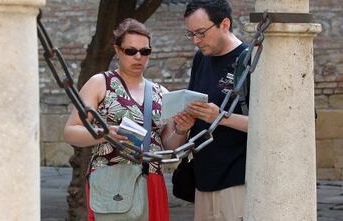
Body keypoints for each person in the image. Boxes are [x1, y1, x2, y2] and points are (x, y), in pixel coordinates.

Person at [63, 18, 194, 221]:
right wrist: (104, 134)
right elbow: (71, 131)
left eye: (145, 52)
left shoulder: (161, 92)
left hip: (151, 179)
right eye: (130, 51)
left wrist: (181, 130)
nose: (138, 57)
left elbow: (168, 144)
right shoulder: (100, 83)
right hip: (110, 179)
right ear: (117, 50)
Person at [181, 1, 250, 221]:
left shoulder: (250, 61)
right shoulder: (201, 58)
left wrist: (220, 117)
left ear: (225, 24)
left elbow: (269, 124)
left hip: (237, 181)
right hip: (203, 180)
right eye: (190, 34)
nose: (195, 41)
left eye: (201, 33)